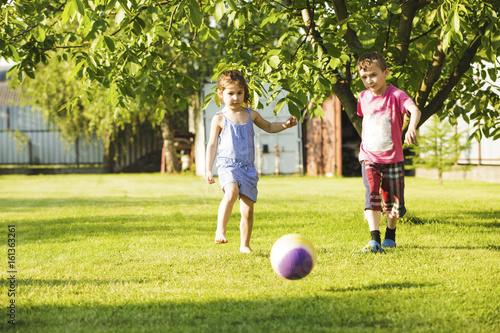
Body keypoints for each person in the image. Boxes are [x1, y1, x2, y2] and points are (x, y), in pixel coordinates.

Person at [205, 70, 297, 253]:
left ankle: (245, 245)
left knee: (248, 210)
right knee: (231, 192)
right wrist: (208, 169)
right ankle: (220, 230)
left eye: (239, 93)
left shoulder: (250, 114)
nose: (235, 97)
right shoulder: (219, 118)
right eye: (230, 93)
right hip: (228, 164)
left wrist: (285, 125)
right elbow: (212, 145)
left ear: (245, 93)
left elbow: (270, 127)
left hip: (247, 167)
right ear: (221, 94)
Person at [356, 52, 421, 253]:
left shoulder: (396, 95)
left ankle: (390, 236)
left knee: (393, 199)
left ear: (386, 73)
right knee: (372, 193)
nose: (369, 81)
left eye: (373, 75)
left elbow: (415, 110)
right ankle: (374, 240)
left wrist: (412, 127)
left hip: (393, 157)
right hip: (369, 156)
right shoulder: (363, 97)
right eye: (364, 77)